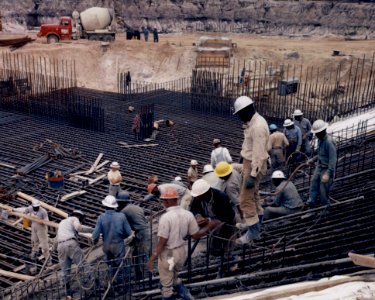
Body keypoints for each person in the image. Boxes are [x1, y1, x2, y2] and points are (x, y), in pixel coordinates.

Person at [147, 185, 217, 300]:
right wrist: (209, 226)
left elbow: (162, 241)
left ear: (166, 201)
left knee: (166, 287)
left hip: (168, 255)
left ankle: (169, 296)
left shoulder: (165, 218)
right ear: (177, 199)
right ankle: (187, 296)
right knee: (174, 277)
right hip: (181, 252)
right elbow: (195, 235)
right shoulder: (188, 214)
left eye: (163, 200)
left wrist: (152, 258)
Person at [232, 96, 269, 245]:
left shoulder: (258, 126)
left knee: (245, 199)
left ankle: (253, 232)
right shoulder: (252, 123)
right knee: (253, 196)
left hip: (254, 166)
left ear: (246, 110)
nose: (239, 117)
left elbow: (259, 154)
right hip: (250, 163)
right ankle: (255, 223)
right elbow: (249, 146)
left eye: (240, 114)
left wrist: (252, 176)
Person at [190, 179, 235, 258]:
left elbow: (226, 215)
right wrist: (198, 215)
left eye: (198, 196)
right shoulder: (198, 197)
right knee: (214, 245)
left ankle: (229, 259)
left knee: (227, 245)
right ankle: (215, 253)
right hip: (211, 221)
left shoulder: (221, 197)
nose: (197, 197)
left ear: (205, 193)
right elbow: (193, 208)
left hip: (227, 222)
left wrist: (209, 220)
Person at [92, 196, 132, 280]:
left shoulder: (101, 217)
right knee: (120, 265)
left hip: (106, 246)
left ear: (105, 206)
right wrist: (121, 236)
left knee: (111, 265)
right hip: (118, 245)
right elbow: (129, 232)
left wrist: (95, 241)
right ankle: (121, 284)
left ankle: (113, 282)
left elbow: (95, 235)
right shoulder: (121, 216)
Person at [56, 210, 93, 299]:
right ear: (79, 216)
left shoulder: (62, 222)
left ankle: (67, 292)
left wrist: (53, 249)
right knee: (83, 265)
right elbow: (79, 228)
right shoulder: (74, 218)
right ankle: (94, 283)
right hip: (70, 244)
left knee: (65, 270)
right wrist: (93, 230)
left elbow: (56, 238)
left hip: (60, 246)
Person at [117, 195, 150, 280]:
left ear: (122, 202)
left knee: (140, 255)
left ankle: (144, 277)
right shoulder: (137, 208)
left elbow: (125, 227)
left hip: (140, 233)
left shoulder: (124, 211)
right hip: (145, 231)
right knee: (138, 254)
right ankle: (141, 275)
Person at [307, 120, 337, 208]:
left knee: (323, 188)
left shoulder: (329, 142)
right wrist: (312, 160)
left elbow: (333, 160)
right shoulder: (320, 140)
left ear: (322, 131)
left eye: (317, 133)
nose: (315, 135)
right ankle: (312, 202)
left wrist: (328, 173)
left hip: (326, 168)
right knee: (314, 182)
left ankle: (325, 207)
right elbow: (320, 154)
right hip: (319, 167)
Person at [14, 200, 51, 265]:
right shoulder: (30, 208)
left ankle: (48, 259)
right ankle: (35, 252)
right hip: (33, 226)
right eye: (34, 207)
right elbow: (24, 211)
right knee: (34, 241)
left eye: (37, 207)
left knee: (44, 244)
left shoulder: (43, 211)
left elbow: (46, 221)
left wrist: (41, 221)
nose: (35, 208)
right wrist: (14, 210)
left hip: (41, 228)